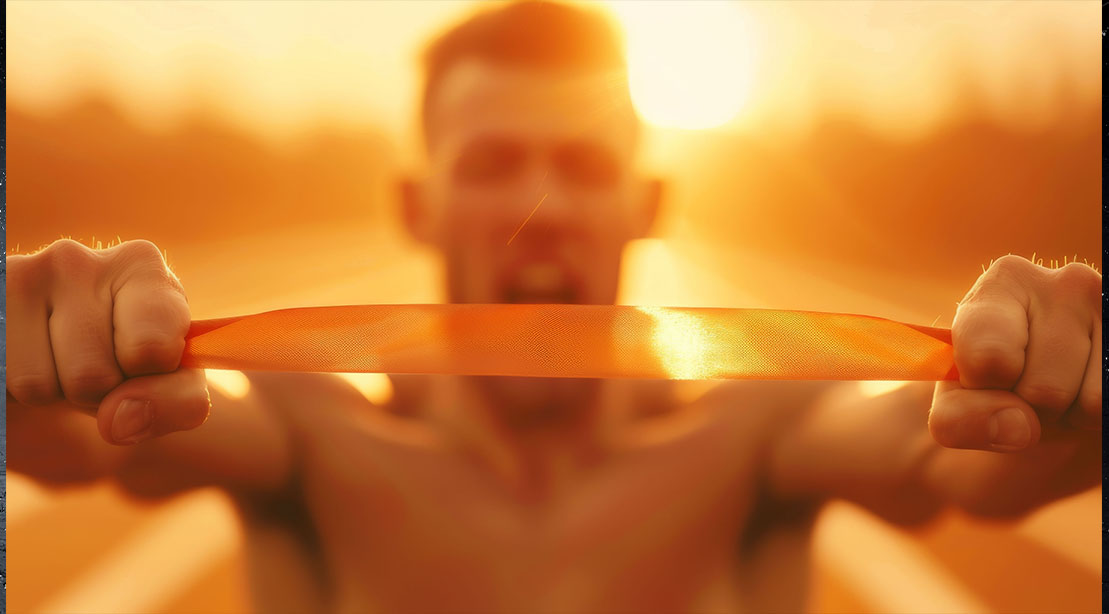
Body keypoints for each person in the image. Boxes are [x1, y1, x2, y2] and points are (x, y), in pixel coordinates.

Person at [6, 2, 1101, 612]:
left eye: (579, 161)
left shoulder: (756, 439)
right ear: (416, 205)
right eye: (493, 161)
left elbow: (954, 456)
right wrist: (48, 363)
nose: (539, 205)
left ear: (647, 204)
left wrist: (1055, 395)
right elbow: (91, 445)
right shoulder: (305, 431)